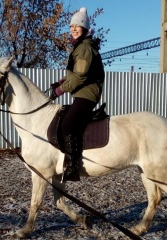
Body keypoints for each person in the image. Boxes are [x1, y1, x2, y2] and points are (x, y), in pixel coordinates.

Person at [50, 7, 105, 182]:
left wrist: (59, 91)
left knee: (68, 124)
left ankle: (73, 167)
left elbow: (80, 76)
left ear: (85, 29)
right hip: (82, 93)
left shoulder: (85, 48)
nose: (74, 29)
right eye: (72, 25)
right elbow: (74, 73)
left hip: (88, 94)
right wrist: (60, 82)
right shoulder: (79, 47)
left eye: (78, 26)